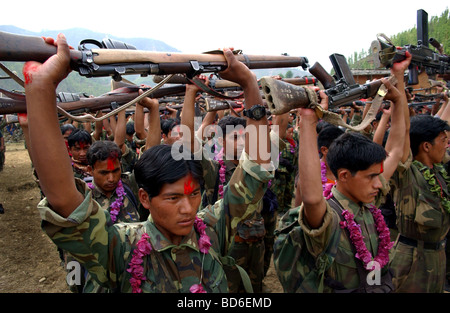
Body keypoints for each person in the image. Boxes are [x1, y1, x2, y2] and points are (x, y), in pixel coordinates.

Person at [23, 34, 272, 293]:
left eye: (194, 194)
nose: (188, 208)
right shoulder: (122, 248)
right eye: (173, 198)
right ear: (144, 198)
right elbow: (64, 201)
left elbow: (254, 170)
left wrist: (248, 83)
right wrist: (40, 87)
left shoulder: (212, 228)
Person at [274, 50, 409, 292]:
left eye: (378, 175)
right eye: (371, 177)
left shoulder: (369, 201)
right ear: (344, 176)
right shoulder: (328, 216)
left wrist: (398, 99)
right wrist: (308, 121)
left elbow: (397, 149)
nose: (379, 184)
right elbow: (312, 198)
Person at [389, 91, 450, 292]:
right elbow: (404, 133)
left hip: (437, 254)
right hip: (413, 258)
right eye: (443, 141)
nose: (446, 145)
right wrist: (399, 97)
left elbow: (441, 122)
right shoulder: (408, 173)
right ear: (426, 146)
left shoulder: (438, 170)